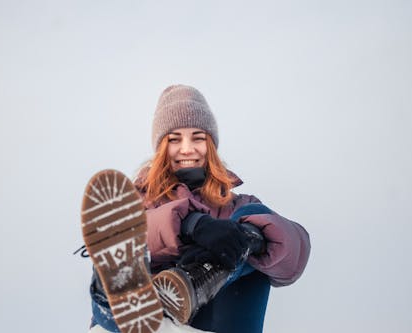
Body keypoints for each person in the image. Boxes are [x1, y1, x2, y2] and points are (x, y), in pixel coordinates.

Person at [78, 85, 311, 333]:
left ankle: (195, 285)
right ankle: (143, 314)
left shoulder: (238, 205)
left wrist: (249, 241)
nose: (187, 148)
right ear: (161, 148)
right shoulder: (137, 199)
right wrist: (191, 223)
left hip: (216, 323)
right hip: (147, 314)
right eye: (174, 140)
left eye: (197, 138)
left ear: (210, 145)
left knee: (254, 221)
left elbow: (295, 254)